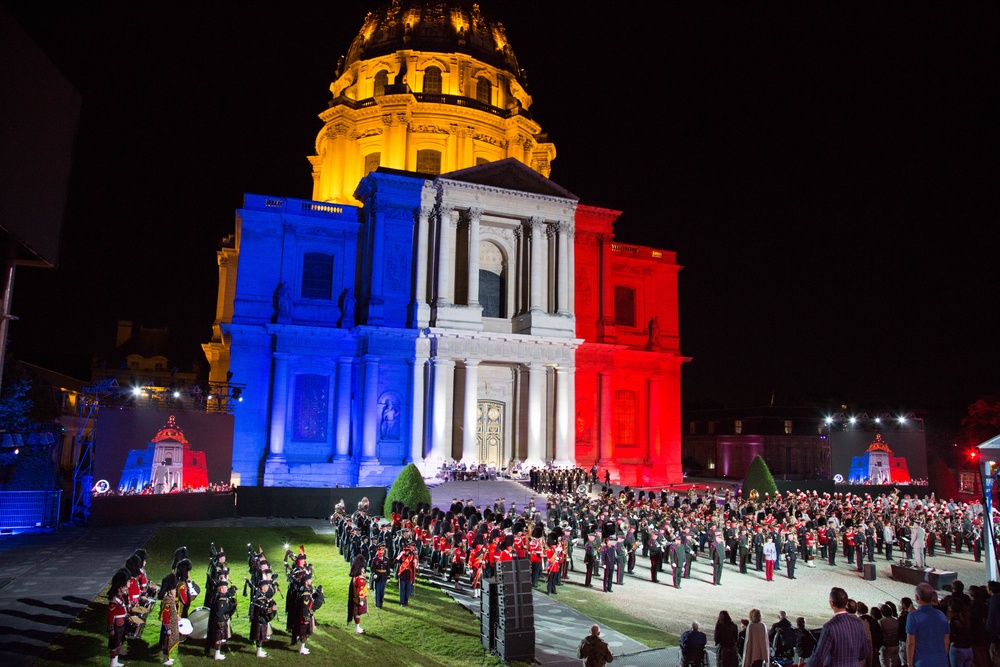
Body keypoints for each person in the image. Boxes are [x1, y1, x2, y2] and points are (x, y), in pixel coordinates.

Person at [808, 586, 870, 667]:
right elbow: (864, 652)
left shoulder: (830, 627)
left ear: (831, 603)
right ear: (846, 603)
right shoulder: (858, 623)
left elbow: (818, 657)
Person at [906, 582, 949, 667]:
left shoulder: (913, 616)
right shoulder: (941, 615)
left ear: (917, 597)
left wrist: (910, 664)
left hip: (923, 661)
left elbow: (911, 642)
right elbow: (946, 640)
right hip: (942, 660)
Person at [108, 568, 131, 667]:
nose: (126, 588)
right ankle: (112, 664)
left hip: (121, 623)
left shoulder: (121, 598)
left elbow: (124, 607)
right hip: (116, 625)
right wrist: (111, 628)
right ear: (119, 587)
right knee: (114, 644)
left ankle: (116, 662)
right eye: (124, 586)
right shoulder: (114, 601)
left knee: (119, 642)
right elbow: (110, 616)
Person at [157, 573, 180, 665]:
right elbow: (165, 616)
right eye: (174, 589)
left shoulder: (171, 599)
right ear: (170, 591)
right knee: (166, 642)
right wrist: (168, 628)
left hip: (172, 624)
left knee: (169, 641)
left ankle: (167, 657)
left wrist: (177, 617)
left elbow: (173, 611)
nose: (175, 591)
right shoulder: (167, 601)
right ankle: (165, 659)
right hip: (168, 626)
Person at [347, 556, 368, 635]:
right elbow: (360, 590)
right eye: (362, 568)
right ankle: (357, 628)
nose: (363, 569)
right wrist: (361, 600)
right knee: (357, 614)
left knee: (357, 613)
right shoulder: (359, 578)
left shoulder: (355, 577)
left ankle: (357, 628)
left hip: (355, 598)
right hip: (358, 598)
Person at [947, 598, 971, 667]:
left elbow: (950, 637)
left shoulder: (953, 621)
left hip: (957, 649)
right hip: (968, 649)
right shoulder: (966, 619)